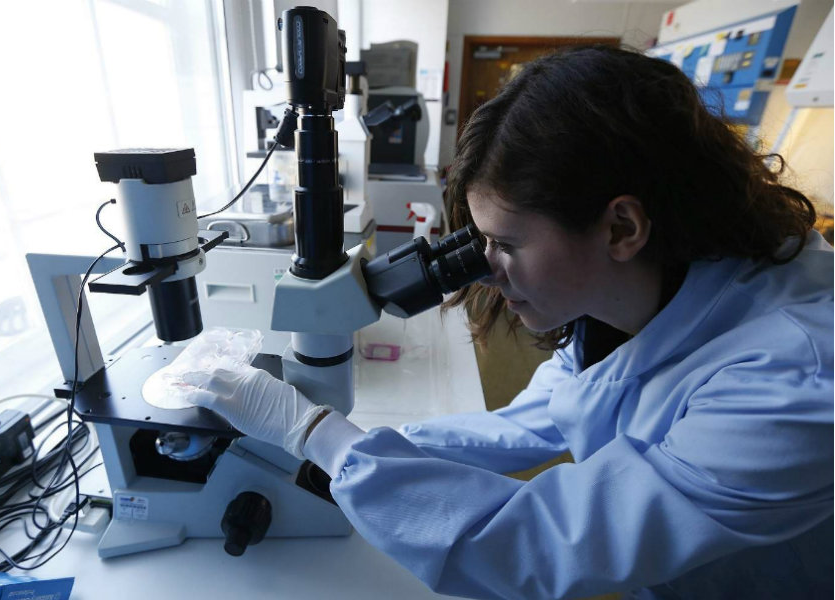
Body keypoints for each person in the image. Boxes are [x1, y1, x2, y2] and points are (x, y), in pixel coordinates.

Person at [182, 46, 833, 599]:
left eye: (507, 245)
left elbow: (539, 542)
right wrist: (372, 441)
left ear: (621, 227)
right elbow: (539, 419)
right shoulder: (643, 288)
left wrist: (311, 430)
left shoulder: (790, 376)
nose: (486, 270)